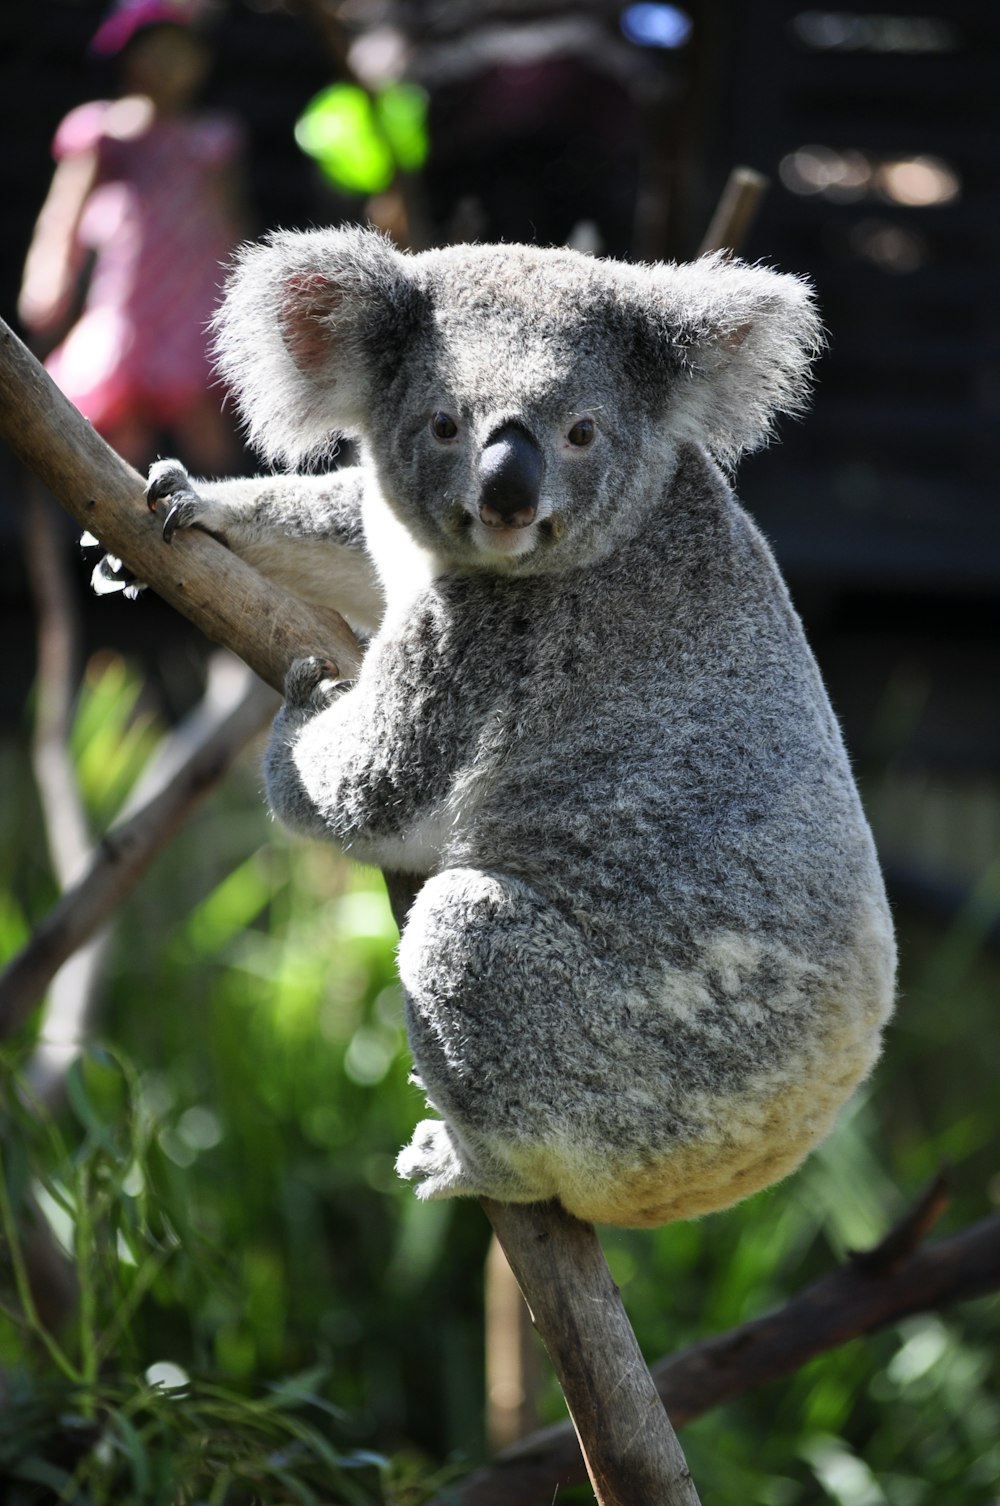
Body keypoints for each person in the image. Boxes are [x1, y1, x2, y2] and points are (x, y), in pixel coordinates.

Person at [18, 0, 247, 472]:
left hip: (193, 294)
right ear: (127, 56)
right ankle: (116, 527)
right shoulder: (103, 130)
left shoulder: (211, 139)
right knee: (120, 413)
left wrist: (244, 291)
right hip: (128, 294)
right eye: (155, 51)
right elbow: (65, 211)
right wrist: (49, 275)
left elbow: (231, 221)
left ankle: (223, 519)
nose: (168, 65)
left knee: (202, 414)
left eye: (180, 53)